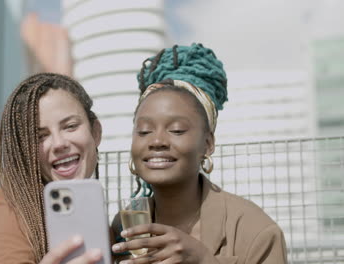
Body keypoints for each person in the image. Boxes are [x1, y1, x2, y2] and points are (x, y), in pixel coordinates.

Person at [111, 44, 288, 263]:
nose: (156, 141)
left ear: (207, 143)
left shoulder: (255, 231)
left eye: (176, 130)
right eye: (144, 131)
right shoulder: (123, 227)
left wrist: (203, 259)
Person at [0, 73, 104, 264]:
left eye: (70, 126)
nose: (59, 143)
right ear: (25, 152)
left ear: (96, 132)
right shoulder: (11, 211)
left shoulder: (89, 209)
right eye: (40, 136)